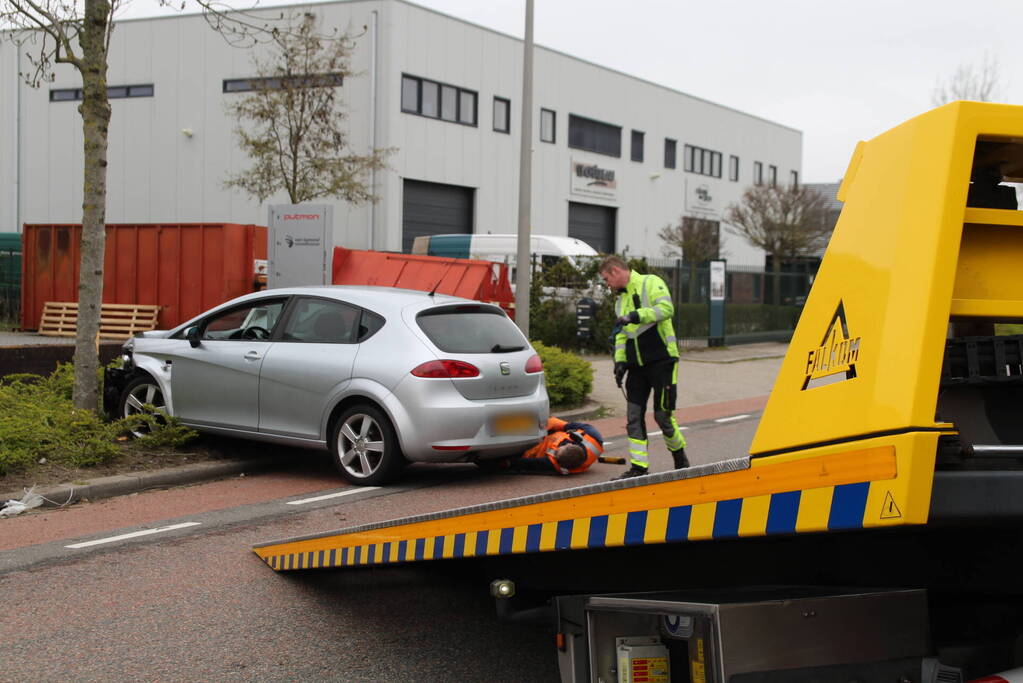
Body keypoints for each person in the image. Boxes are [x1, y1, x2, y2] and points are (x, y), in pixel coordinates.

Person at [599, 255, 689, 479]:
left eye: (607, 279)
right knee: (633, 417)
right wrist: (620, 362)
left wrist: (636, 315)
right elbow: (621, 336)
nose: (607, 284)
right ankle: (639, 468)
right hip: (636, 367)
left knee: (663, 416)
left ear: (617, 271)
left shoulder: (651, 282)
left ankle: (680, 457)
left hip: (662, 361)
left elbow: (666, 309)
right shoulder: (620, 301)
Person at [499, 416, 603, 475]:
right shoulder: (593, 436)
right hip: (556, 433)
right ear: (570, 444)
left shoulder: (554, 464)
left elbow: (527, 464)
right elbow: (568, 425)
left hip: (534, 448)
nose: (554, 452)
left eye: (555, 454)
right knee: (554, 422)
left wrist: (507, 463)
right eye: (557, 450)